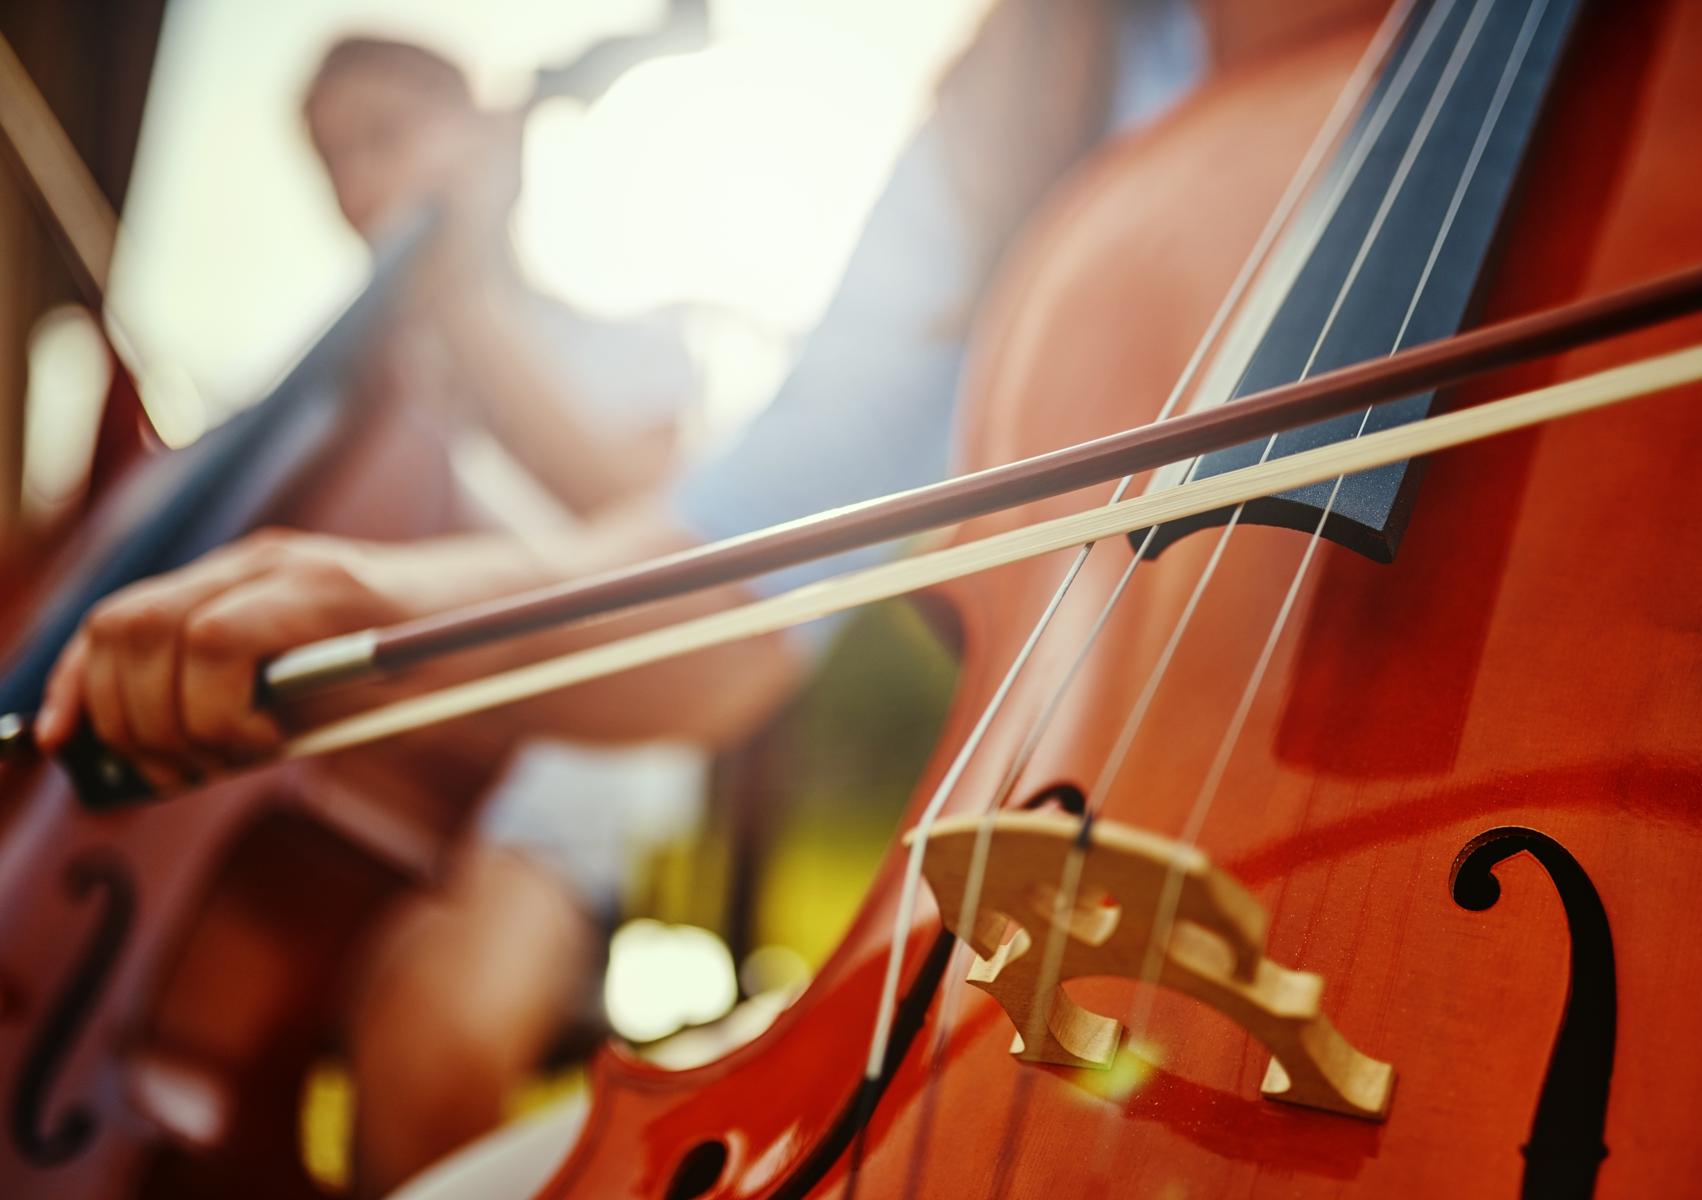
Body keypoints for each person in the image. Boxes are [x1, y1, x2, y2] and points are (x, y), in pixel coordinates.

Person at [34, 2, 1217, 1194]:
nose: (365, 179)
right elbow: (739, 552)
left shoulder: (628, 340)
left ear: (485, 132)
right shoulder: (1013, 107)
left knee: (429, 1026)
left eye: (391, 133)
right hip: (342, 780)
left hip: (556, 774)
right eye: (339, 157)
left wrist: (460, 309)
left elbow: (669, 530)